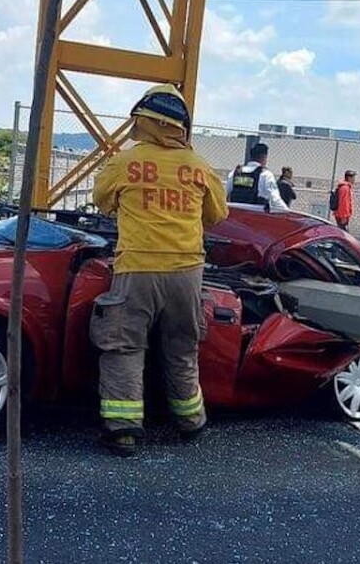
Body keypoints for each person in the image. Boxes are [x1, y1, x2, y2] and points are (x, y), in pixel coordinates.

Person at [91, 84, 229, 457]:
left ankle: (123, 431)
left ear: (143, 120)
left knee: (124, 346)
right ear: (182, 126)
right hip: (187, 271)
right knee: (182, 347)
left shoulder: (125, 162)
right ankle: (191, 421)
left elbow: (101, 201)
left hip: (137, 267)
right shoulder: (199, 167)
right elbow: (216, 215)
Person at [226, 143, 289, 212]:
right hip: (256, 217)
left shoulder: (234, 173)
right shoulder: (266, 175)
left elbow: (224, 194)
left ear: (251, 156)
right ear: (264, 157)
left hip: (236, 216)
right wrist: (286, 211)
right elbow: (275, 199)